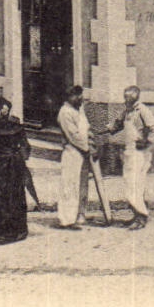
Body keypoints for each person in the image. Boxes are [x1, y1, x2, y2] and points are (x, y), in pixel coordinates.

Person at [0, 96, 38, 245]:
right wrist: (19, 157)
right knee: (14, 196)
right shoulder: (17, 129)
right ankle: (15, 231)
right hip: (13, 166)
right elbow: (26, 150)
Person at [110, 85, 154, 230]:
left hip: (139, 154)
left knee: (135, 186)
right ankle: (136, 215)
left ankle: (142, 218)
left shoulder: (142, 110)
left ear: (135, 98)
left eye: (128, 98)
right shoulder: (127, 110)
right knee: (130, 185)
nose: (126, 100)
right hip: (129, 152)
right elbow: (118, 124)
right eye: (125, 97)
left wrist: (147, 141)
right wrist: (110, 128)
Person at [56, 85, 96, 229]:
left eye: (81, 95)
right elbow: (73, 135)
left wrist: (91, 141)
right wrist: (87, 147)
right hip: (72, 153)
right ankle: (66, 219)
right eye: (77, 96)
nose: (80, 99)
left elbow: (86, 129)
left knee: (82, 185)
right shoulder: (65, 112)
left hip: (83, 153)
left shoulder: (79, 110)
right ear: (69, 97)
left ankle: (80, 215)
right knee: (70, 186)